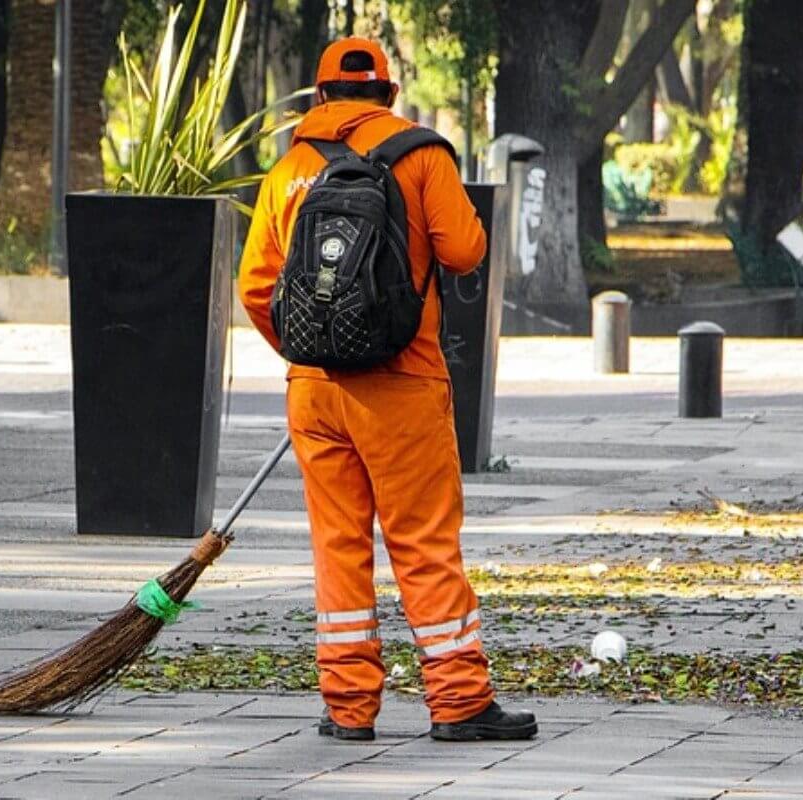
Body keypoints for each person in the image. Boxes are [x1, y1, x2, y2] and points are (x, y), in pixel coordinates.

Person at [238, 37, 538, 743]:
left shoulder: (288, 169)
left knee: (338, 545)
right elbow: (465, 250)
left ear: (319, 98)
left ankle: (347, 707)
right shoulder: (422, 154)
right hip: (401, 383)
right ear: (390, 95)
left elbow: (257, 288)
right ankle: (459, 700)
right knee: (424, 540)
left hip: (314, 391)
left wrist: (317, 350)